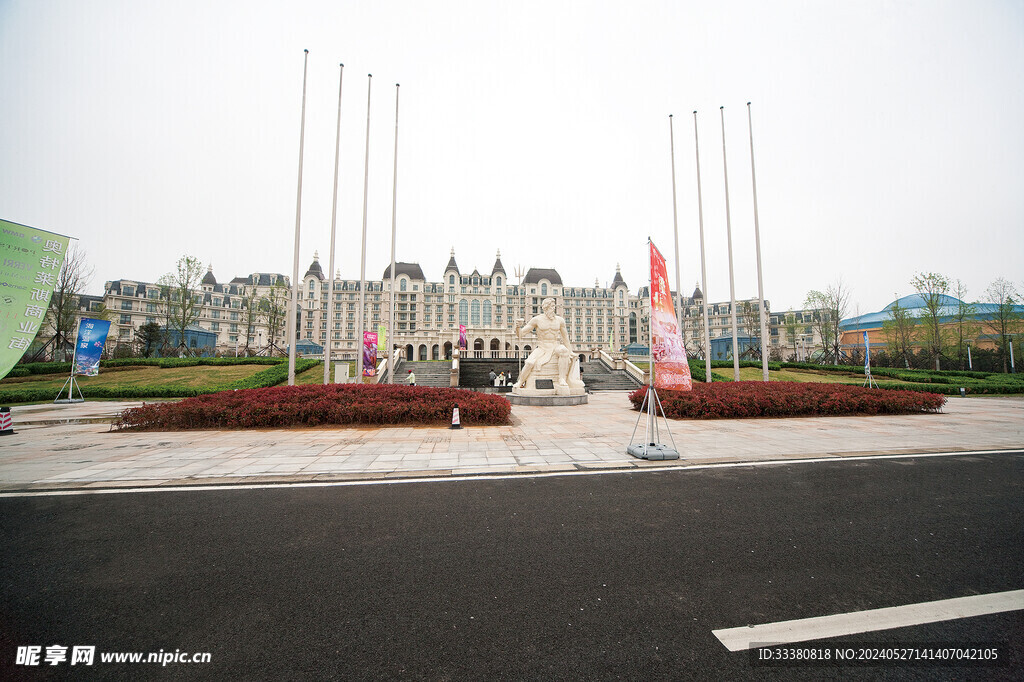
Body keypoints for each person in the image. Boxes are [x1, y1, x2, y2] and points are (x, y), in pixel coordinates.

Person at [515, 297, 574, 389]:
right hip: (542, 347)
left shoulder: (560, 320)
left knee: (563, 350)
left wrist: (570, 351)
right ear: (545, 307)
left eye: (554, 306)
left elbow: (565, 337)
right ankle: (520, 382)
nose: (553, 308)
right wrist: (518, 327)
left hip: (555, 346)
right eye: (551, 306)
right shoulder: (537, 320)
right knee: (529, 363)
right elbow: (521, 334)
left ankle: (562, 379)